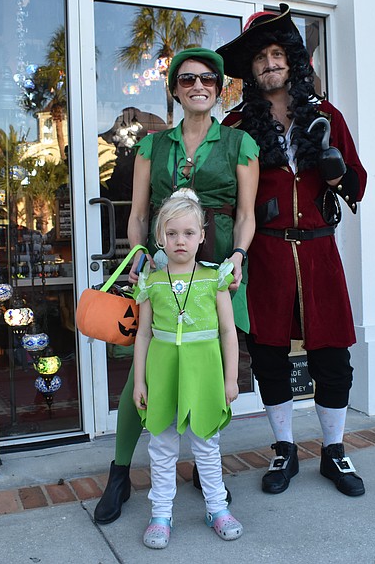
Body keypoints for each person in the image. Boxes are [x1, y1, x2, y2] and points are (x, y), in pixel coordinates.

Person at [94, 47, 259, 524]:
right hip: (165, 263)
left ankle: (208, 473)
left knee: (210, 357)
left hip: (221, 258)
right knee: (144, 373)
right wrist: (142, 252)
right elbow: (140, 212)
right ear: (175, 89)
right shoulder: (152, 145)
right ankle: (121, 472)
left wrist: (239, 256)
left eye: (208, 78)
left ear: (220, 86)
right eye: (187, 79)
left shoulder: (240, 143)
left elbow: (247, 213)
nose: (198, 86)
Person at [216, 4, 368, 497]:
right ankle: (284, 450)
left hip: (320, 254)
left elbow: (359, 186)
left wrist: (334, 165)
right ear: (251, 70)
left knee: (332, 359)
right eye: (260, 58)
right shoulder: (237, 124)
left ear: (293, 61)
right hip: (267, 256)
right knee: (270, 356)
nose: (269, 64)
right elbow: (223, 194)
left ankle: (333, 452)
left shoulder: (326, 115)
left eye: (277, 54)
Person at [133, 190, 243, 548]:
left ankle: (217, 507)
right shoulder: (151, 282)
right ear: (160, 237)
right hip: (163, 374)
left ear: (202, 235)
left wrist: (230, 378)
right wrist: (139, 381)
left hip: (204, 374)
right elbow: (143, 334)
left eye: (189, 233)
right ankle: (161, 513)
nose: (180, 240)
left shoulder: (215, 279)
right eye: (172, 233)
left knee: (207, 445)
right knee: (162, 447)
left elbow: (228, 331)